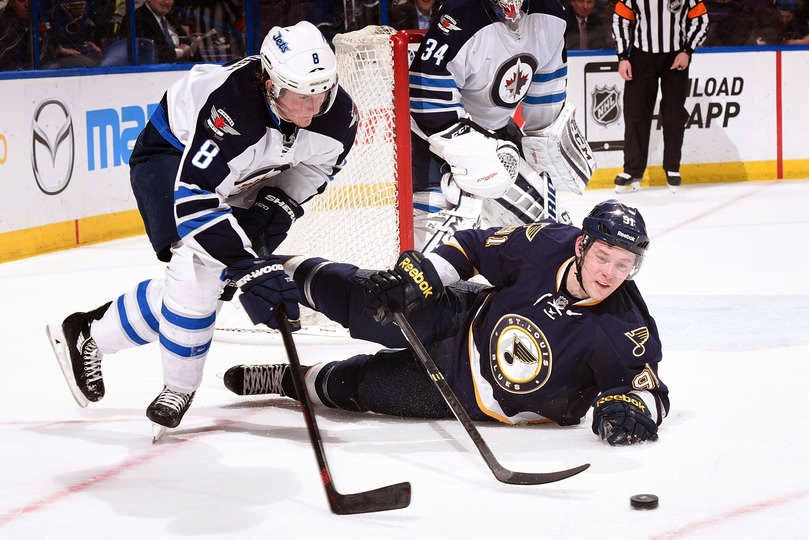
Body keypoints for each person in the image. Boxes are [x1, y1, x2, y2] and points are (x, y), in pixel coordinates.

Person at [46, 21, 358, 433]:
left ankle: (88, 332)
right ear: (270, 84)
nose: (311, 109)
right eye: (298, 96)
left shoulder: (339, 114)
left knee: (212, 280)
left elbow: (317, 167)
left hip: (248, 172)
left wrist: (278, 207)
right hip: (172, 155)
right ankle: (178, 387)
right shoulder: (232, 108)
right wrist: (249, 266)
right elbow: (196, 197)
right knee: (197, 267)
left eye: (320, 94)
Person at [224, 200, 668, 446]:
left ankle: (285, 378)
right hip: (460, 319)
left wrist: (633, 409)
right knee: (364, 299)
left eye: (623, 264)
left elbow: (651, 392)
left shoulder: (626, 327)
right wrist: (423, 278)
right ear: (581, 246)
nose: (609, 273)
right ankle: (261, 266)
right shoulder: (545, 243)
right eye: (603, 257)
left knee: (354, 387)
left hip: (469, 399)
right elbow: (472, 247)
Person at [408, 0, 595, 251]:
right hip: (431, 145)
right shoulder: (460, 14)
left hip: (497, 136)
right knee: (437, 253)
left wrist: (546, 143)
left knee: (551, 236)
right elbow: (427, 103)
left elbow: (545, 99)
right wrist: (474, 155)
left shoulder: (550, 14)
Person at [612, 0, 709, 193]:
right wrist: (623, 57)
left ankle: (672, 167)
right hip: (641, 56)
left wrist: (687, 50)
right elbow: (620, 19)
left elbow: (701, 20)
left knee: (674, 113)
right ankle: (632, 169)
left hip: (675, 56)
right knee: (635, 112)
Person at [119, 0, 197, 63]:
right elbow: (147, 53)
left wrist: (193, 43)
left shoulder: (169, 17)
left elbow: (185, 40)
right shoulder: (135, 19)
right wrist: (180, 52)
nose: (166, 2)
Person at [0, 0, 33, 70]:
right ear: (11, 2)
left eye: (31, 0)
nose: (27, 4)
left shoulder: (46, 21)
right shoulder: (2, 24)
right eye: (21, 0)